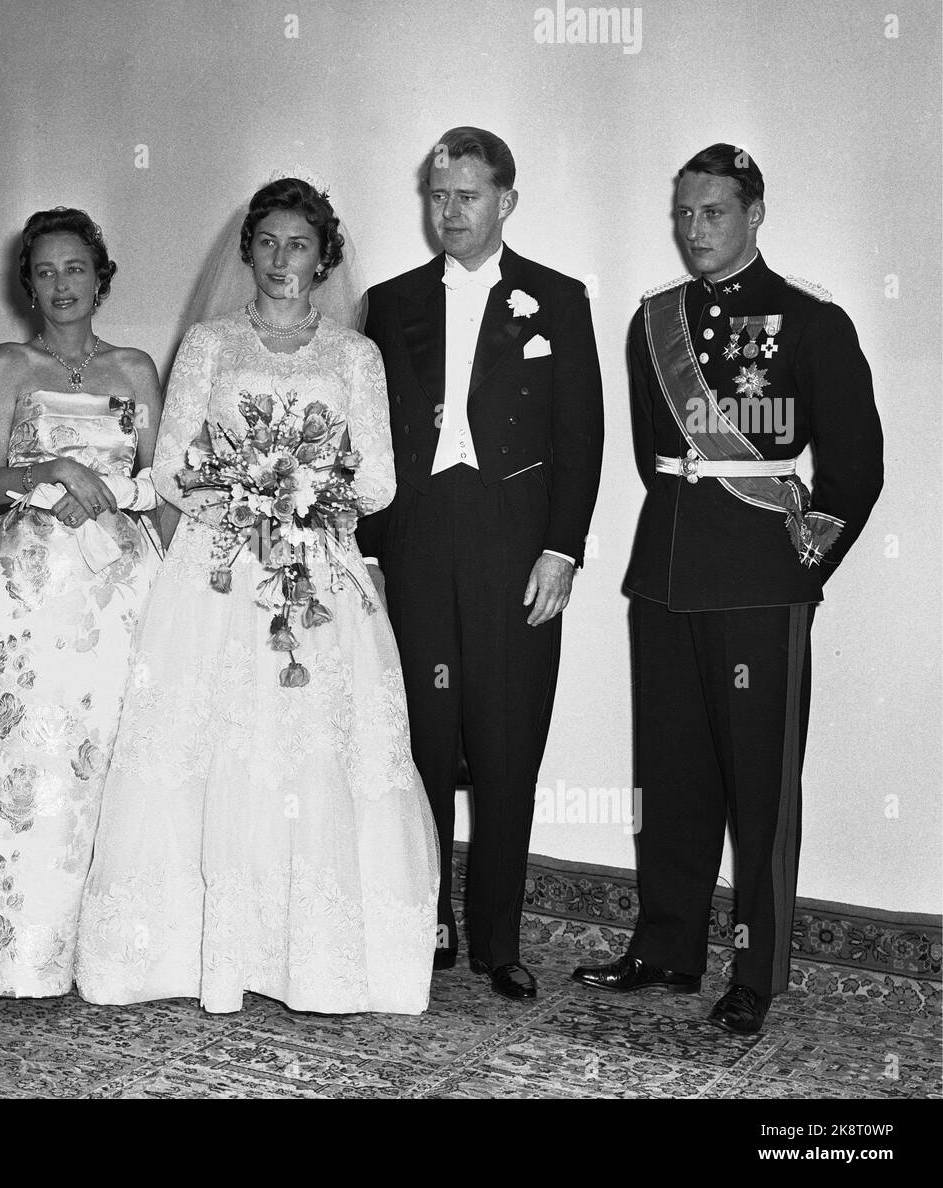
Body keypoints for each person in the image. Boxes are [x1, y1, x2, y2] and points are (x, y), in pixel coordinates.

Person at [75, 176, 440, 1014]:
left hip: (318, 573)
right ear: (249, 252)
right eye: (268, 243)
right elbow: (169, 463)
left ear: (325, 258)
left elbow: (379, 482)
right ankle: (185, 954)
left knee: (313, 755)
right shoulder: (208, 344)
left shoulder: (357, 357)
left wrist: (303, 495)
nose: (283, 260)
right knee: (209, 750)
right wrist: (245, 497)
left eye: (300, 245)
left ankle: (315, 960)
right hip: (218, 573)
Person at [572, 144, 883, 1034]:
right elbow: (654, 456)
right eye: (683, 213)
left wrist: (802, 565)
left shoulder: (812, 322)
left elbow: (856, 469)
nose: (693, 230)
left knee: (760, 784)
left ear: (754, 214)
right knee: (669, 774)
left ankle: (756, 970)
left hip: (757, 581)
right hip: (668, 573)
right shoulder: (652, 323)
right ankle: (666, 946)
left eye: (711, 213)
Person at [355, 128, 603, 999]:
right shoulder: (390, 302)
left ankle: (499, 937)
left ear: (506, 201)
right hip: (419, 541)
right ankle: (428, 921)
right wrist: (372, 556)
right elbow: (368, 438)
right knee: (422, 738)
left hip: (514, 547)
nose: (448, 211)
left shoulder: (559, 300)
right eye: (436, 194)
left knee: (507, 747)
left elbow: (581, 436)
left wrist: (563, 549)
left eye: (466, 195)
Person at [0, 208, 166, 997]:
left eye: (76, 269)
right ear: (26, 283)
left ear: (102, 276)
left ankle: (104, 952)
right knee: (21, 760)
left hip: (116, 587)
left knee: (102, 760)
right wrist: (60, 473)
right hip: (23, 587)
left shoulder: (137, 368)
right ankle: (10, 950)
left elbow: (162, 484)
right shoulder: (8, 363)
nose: (62, 285)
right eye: (45, 271)